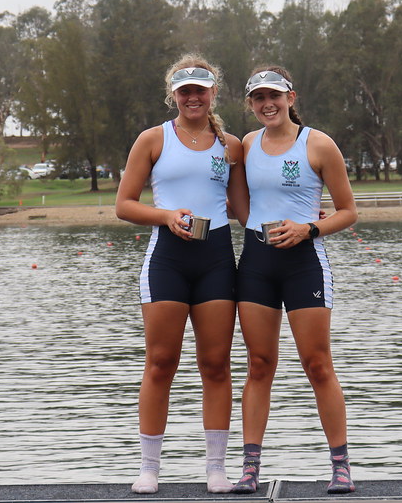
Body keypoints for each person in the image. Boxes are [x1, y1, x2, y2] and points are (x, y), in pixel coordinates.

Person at [115, 55, 249, 494]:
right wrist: (167, 215)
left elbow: (244, 208)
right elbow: (125, 204)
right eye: (184, 89)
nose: (193, 96)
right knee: (160, 363)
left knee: (215, 365)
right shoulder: (152, 140)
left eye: (201, 89)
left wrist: (302, 216)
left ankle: (215, 468)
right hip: (167, 260)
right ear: (173, 94)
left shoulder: (231, 145)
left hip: (215, 261)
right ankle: (149, 468)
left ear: (213, 92)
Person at [231, 66, 358, 495]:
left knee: (317, 364)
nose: (267, 104)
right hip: (256, 264)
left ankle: (340, 466)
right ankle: (250, 468)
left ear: (291, 97)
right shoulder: (248, 144)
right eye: (258, 98)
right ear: (250, 104)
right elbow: (242, 204)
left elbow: (347, 211)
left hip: (305, 263)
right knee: (259, 364)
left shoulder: (318, 144)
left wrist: (308, 229)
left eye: (275, 96)